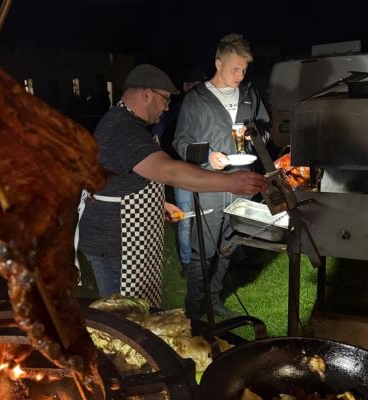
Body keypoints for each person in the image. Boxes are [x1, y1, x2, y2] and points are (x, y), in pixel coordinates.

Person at [78, 63, 266, 308]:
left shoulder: (129, 122)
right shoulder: (123, 128)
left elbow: (127, 177)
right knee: (126, 316)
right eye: (165, 99)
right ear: (147, 94)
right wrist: (229, 182)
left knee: (142, 310)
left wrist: (158, 204)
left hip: (127, 235)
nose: (167, 107)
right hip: (116, 241)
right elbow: (167, 170)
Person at [173, 33, 272, 319]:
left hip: (242, 182)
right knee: (204, 250)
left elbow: (266, 131)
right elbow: (181, 142)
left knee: (230, 245)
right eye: (235, 69)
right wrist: (208, 156)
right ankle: (194, 307)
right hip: (210, 184)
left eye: (244, 69)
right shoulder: (196, 99)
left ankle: (213, 299)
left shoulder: (249, 95)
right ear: (218, 63)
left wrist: (254, 135)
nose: (241, 76)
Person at [152, 68, 206, 277]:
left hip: (203, 168)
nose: (199, 90)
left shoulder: (203, 105)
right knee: (185, 218)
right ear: (186, 86)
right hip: (181, 170)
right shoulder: (175, 108)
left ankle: (201, 259)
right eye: (195, 85)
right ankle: (187, 262)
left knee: (203, 217)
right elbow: (158, 133)